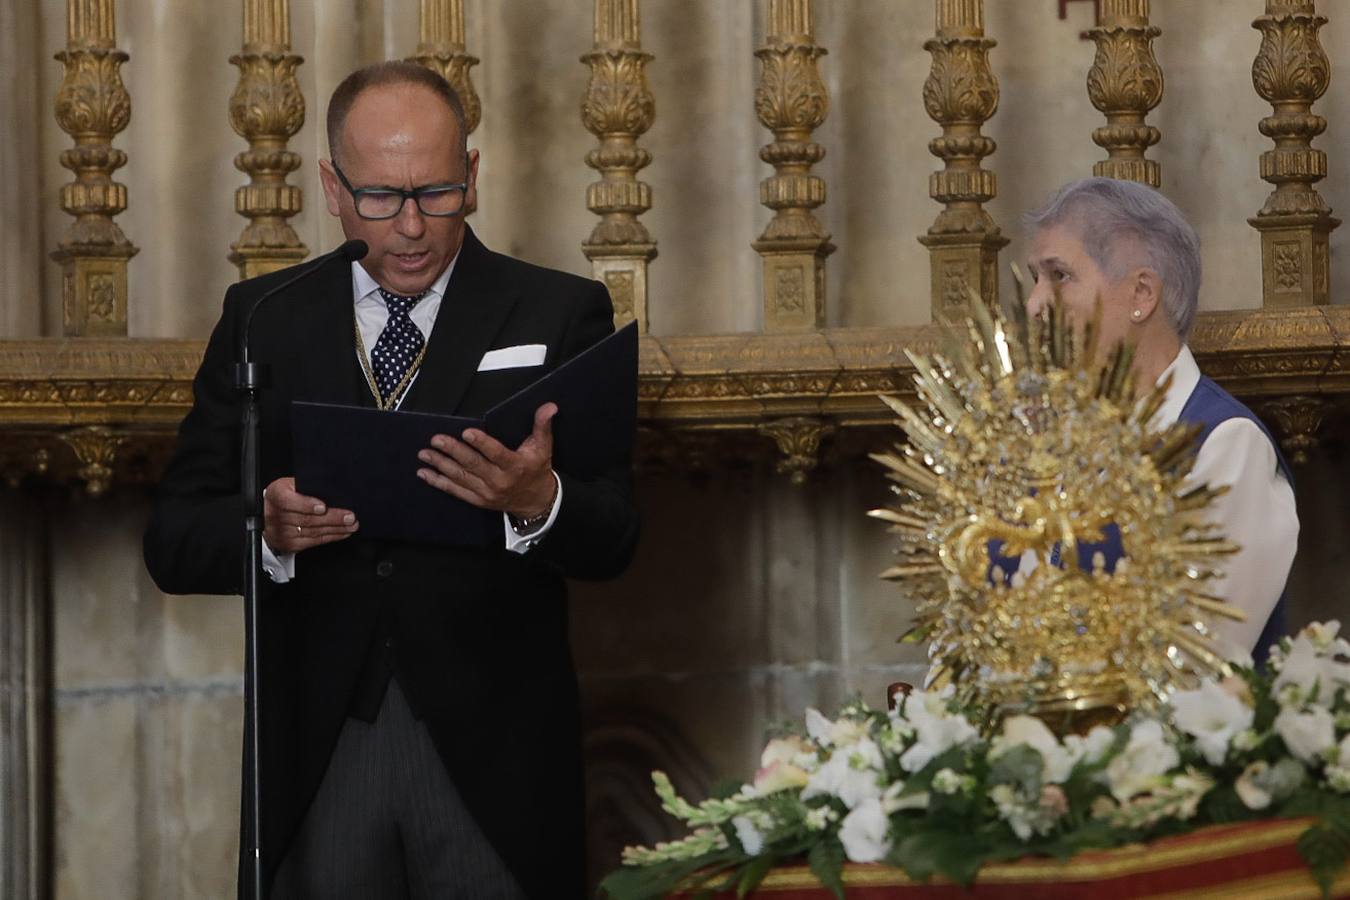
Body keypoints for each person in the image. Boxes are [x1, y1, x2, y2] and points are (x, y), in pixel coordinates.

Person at [143, 61, 639, 899]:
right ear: (331, 188)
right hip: (319, 749)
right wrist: (265, 530)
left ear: (472, 176)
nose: (411, 226)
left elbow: (617, 533)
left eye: (436, 192)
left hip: (496, 757)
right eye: (379, 197)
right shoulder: (264, 317)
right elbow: (173, 539)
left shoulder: (558, 311)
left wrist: (536, 503)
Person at [1012, 176, 1298, 663]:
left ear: (1141, 293)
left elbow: (1189, 661)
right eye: (1035, 279)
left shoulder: (1224, 444)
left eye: (1059, 275)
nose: (1034, 305)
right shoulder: (1044, 442)